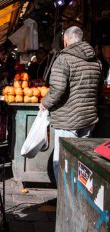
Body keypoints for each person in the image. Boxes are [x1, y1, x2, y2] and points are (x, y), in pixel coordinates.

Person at [40, 26, 102, 183]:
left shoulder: (64, 59)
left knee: (63, 164)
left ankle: (65, 203)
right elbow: (99, 88)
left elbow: (58, 89)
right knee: (83, 165)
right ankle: (78, 201)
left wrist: (45, 103)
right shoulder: (96, 60)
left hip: (68, 120)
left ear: (66, 41)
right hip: (88, 119)